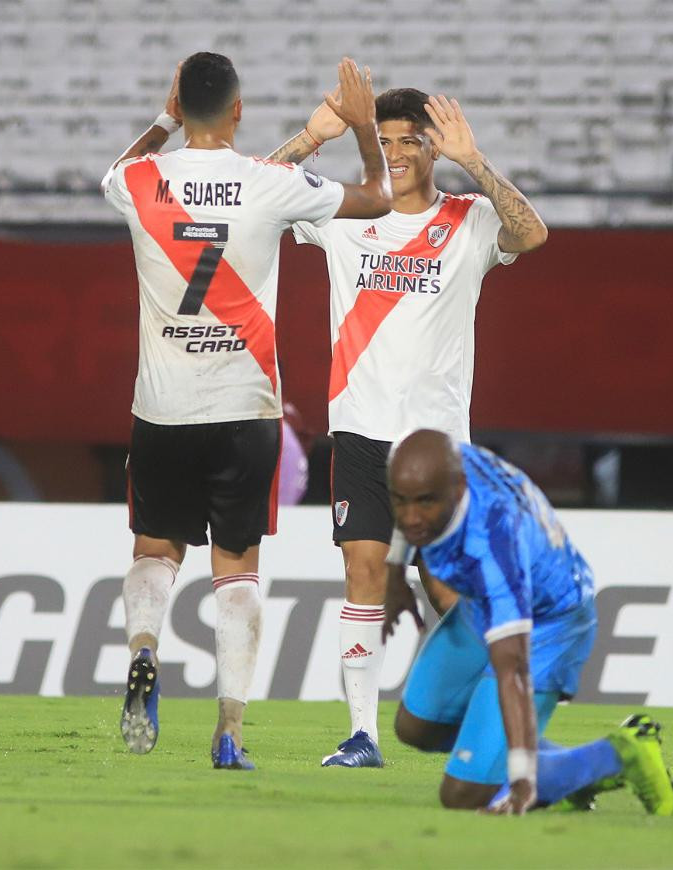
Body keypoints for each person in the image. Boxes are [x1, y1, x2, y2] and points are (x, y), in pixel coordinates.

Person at [101, 53, 392, 767]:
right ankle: (229, 732)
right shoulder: (271, 183)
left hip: (163, 409)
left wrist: (164, 119)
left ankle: (145, 648)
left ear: (182, 105)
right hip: (246, 409)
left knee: (154, 551)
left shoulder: (140, 181)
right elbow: (379, 198)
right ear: (238, 110)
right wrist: (358, 131)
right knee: (237, 569)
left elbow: (118, 167)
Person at [268, 87, 549, 768]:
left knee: (457, 595)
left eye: (408, 142)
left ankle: (492, 727)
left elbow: (532, 233)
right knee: (362, 573)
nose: (393, 155)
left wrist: (475, 161)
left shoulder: (469, 218)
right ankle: (363, 734)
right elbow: (255, 197)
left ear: (432, 147)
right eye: (384, 141)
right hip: (361, 433)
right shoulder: (347, 210)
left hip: (439, 447)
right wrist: (312, 139)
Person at [382, 429, 673, 815]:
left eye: (424, 503)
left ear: (457, 488)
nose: (411, 517)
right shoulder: (443, 465)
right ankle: (556, 767)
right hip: (484, 601)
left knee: (462, 795)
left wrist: (522, 779)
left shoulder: (495, 544)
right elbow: (412, 504)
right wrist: (393, 576)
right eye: (400, 502)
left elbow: (514, 670)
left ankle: (620, 754)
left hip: (550, 623)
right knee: (417, 727)